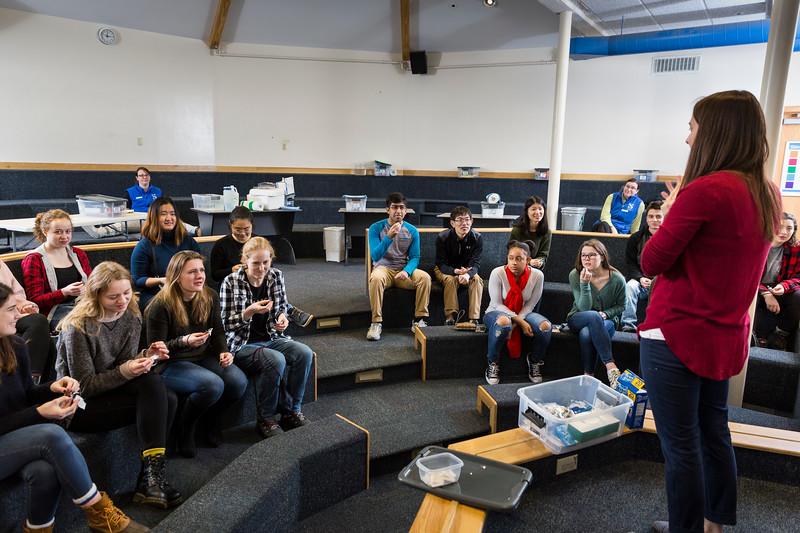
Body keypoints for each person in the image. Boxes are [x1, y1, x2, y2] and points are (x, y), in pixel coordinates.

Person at [639, 90, 781, 533]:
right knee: (714, 433)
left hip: (676, 334)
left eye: (692, 128)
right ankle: (713, 524)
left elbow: (651, 261)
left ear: (715, 132)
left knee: (679, 446)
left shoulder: (705, 191)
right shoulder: (768, 193)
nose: (687, 139)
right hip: (724, 336)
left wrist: (674, 204)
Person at [0, 282, 148, 533]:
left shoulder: (13, 345)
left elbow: (25, 395)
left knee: (44, 470)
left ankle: (37, 530)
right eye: (11, 309)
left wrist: (52, 387)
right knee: (51, 434)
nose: (19, 314)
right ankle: (100, 514)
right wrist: (39, 412)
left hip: (12, 438)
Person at [55, 262, 181, 509]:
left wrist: (146, 354)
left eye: (126, 293)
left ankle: (151, 477)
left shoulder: (131, 316)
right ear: (96, 295)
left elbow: (123, 361)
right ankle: (151, 480)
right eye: (113, 296)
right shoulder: (77, 328)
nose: (123, 301)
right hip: (77, 406)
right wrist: (126, 370)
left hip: (111, 391)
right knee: (160, 396)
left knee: (164, 392)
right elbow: (86, 386)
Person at [145, 251, 247, 458]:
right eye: (192, 272)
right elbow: (155, 350)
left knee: (238, 382)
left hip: (201, 356)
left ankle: (210, 420)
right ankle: (185, 428)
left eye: (201, 270)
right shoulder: (160, 304)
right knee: (213, 385)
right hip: (170, 363)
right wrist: (184, 341)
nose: (200, 275)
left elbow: (217, 331)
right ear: (177, 276)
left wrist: (224, 352)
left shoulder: (209, 295)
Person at [220, 237, 313, 439]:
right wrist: (248, 313)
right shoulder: (231, 282)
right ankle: (266, 418)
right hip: (242, 343)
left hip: (272, 337)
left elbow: (281, 308)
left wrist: (282, 319)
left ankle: (291, 411)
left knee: (304, 353)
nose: (261, 268)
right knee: (275, 359)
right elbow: (226, 324)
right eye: (255, 263)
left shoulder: (276, 276)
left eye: (266, 262)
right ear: (245, 261)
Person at [210, 206, 313, 327]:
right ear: (230, 225)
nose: (242, 233)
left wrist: (258, 268)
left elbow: (270, 269)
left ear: (252, 225)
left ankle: (286, 309)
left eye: (246, 228)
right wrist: (231, 270)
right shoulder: (221, 245)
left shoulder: (259, 241)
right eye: (237, 229)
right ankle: (289, 309)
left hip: (259, 284)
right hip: (234, 287)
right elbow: (215, 275)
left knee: (269, 285)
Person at [483, 240, 551, 385]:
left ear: (528, 260)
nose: (514, 262)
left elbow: (531, 304)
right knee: (504, 322)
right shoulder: (498, 272)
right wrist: (518, 322)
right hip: (495, 312)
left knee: (545, 326)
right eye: (511, 258)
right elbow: (496, 303)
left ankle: (534, 361)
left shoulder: (538, 276)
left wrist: (519, 319)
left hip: (525, 312)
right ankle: (492, 363)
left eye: (519, 259)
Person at [366, 192, 431, 341]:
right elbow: (375, 256)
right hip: (383, 269)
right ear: (387, 210)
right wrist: (388, 237)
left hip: (402, 270)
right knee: (375, 278)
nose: (398, 211)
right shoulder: (376, 228)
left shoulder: (412, 230)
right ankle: (376, 322)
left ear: (406, 211)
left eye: (402, 207)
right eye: (394, 207)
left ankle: (419, 320)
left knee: (425, 278)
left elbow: (415, 257)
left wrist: (407, 271)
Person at [566, 239, 625, 387]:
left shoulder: (617, 279)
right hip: (578, 317)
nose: (586, 258)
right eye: (583, 255)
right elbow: (584, 308)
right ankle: (610, 366)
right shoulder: (575, 274)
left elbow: (621, 306)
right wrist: (584, 284)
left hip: (607, 321)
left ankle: (588, 375)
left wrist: (606, 314)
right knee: (592, 315)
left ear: (602, 257)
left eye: (591, 255)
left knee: (587, 333)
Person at [22, 210, 91, 330]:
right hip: (54, 311)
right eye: (58, 232)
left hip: (81, 304)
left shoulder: (78, 253)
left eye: (68, 231)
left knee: (112, 314)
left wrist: (88, 288)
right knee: (84, 323)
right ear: (45, 231)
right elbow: (34, 300)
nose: (64, 236)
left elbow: (91, 282)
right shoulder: (34, 259)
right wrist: (64, 292)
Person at [131, 197, 200, 310]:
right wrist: (162, 280)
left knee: (209, 297)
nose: (169, 218)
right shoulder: (144, 246)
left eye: (172, 214)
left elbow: (200, 268)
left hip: (187, 292)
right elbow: (138, 280)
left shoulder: (188, 241)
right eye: (163, 214)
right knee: (169, 307)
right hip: (157, 294)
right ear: (154, 217)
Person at [0, 259, 53, 381]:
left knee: (41, 330)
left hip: (12, 313)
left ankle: (35, 385)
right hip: (3, 315)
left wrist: (24, 306)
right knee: (39, 325)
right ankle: (25, 380)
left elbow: (15, 294)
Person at [754, 212, 800, 351]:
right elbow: (746, 276)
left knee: (799, 296)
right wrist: (766, 293)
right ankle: (755, 336)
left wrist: (784, 286)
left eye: (789, 228)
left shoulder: (796, 249)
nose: (784, 232)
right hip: (755, 287)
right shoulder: (756, 244)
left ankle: (780, 334)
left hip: (779, 288)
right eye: (779, 226)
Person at [434, 206, 483, 325]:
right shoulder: (442, 237)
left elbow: (476, 263)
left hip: (467, 270)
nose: (464, 223)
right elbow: (441, 263)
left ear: (471, 221)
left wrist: (467, 274)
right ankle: (450, 317)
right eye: (460, 220)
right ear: (452, 223)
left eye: (467, 220)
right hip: (445, 269)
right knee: (450, 280)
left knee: (477, 279)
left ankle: (474, 318)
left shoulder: (477, 238)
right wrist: (455, 271)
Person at [621, 201, 663, 332]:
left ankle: (657, 326)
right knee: (629, 287)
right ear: (646, 218)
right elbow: (630, 263)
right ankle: (628, 325)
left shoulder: (671, 237)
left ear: (664, 217)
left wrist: (657, 280)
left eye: (658, 216)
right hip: (641, 280)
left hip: (663, 282)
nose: (654, 220)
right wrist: (640, 278)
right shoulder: (636, 238)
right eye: (651, 216)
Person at [125, 166, 199, 236]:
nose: (144, 177)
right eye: (141, 175)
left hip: (156, 218)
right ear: (137, 178)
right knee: (119, 226)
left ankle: (196, 230)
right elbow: (126, 210)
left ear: (149, 177)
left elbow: (164, 206)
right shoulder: (130, 192)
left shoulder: (157, 191)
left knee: (174, 220)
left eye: (146, 175)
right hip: (139, 220)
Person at [509, 196, 552, 269]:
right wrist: (529, 261)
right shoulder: (517, 230)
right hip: (515, 267)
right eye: (533, 209)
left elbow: (543, 255)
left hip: (534, 270)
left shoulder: (547, 232)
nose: (537, 212)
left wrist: (539, 262)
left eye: (540, 209)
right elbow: (511, 254)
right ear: (527, 212)